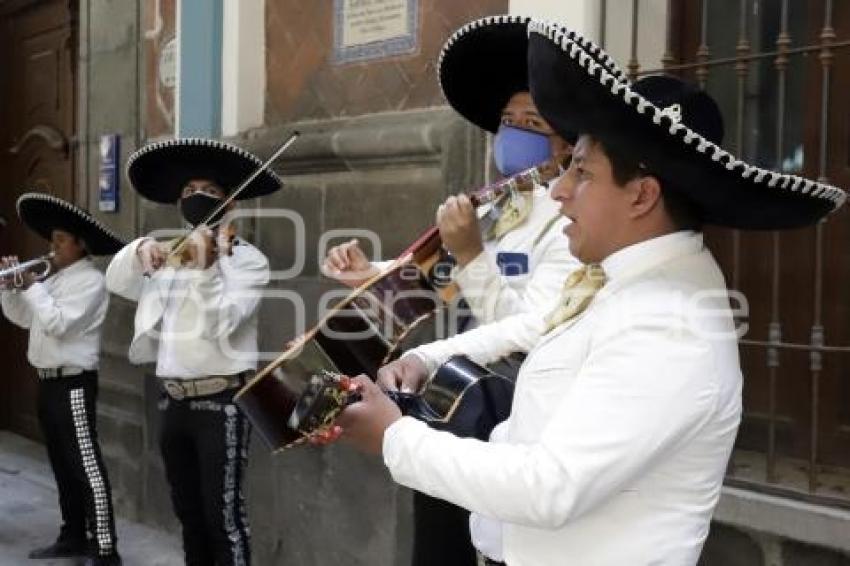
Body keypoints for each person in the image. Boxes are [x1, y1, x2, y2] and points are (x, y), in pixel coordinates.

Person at [326, 21, 846, 566]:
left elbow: (551, 486)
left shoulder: (669, 322)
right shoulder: (621, 281)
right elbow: (534, 325)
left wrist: (394, 439)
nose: (558, 189)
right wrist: (423, 360)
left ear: (642, 195)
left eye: (582, 171)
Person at [322, 15, 620, 566]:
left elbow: (532, 325)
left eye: (531, 121)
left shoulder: (572, 224)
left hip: (512, 405)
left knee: (473, 541)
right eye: (508, 120)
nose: (513, 133)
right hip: (456, 394)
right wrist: (374, 271)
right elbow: (442, 277)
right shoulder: (506, 199)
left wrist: (472, 255)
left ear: (565, 145)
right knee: (434, 536)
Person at [105, 138, 282, 566]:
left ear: (231, 204)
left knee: (224, 520)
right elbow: (118, 282)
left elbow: (222, 325)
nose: (195, 197)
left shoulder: (248, 262)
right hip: (174, 400)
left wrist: (207, 271)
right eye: (187, 191)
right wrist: (138, 250)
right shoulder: (170, 255)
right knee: (189, 517)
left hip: (222, 402)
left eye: (209, 191)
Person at [1, 192, 126, 566]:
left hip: (73, 383)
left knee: (86, 464)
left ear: (79, 244)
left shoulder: (90, 281)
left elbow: (56, 322)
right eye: (51, 240)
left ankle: (105, 547)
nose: (51, 248)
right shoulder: (54, 280)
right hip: (48, 382)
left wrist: (33, 286)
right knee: (61, 464)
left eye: (59, 241)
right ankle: (72, 534)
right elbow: (25, 318)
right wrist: (10, 290)